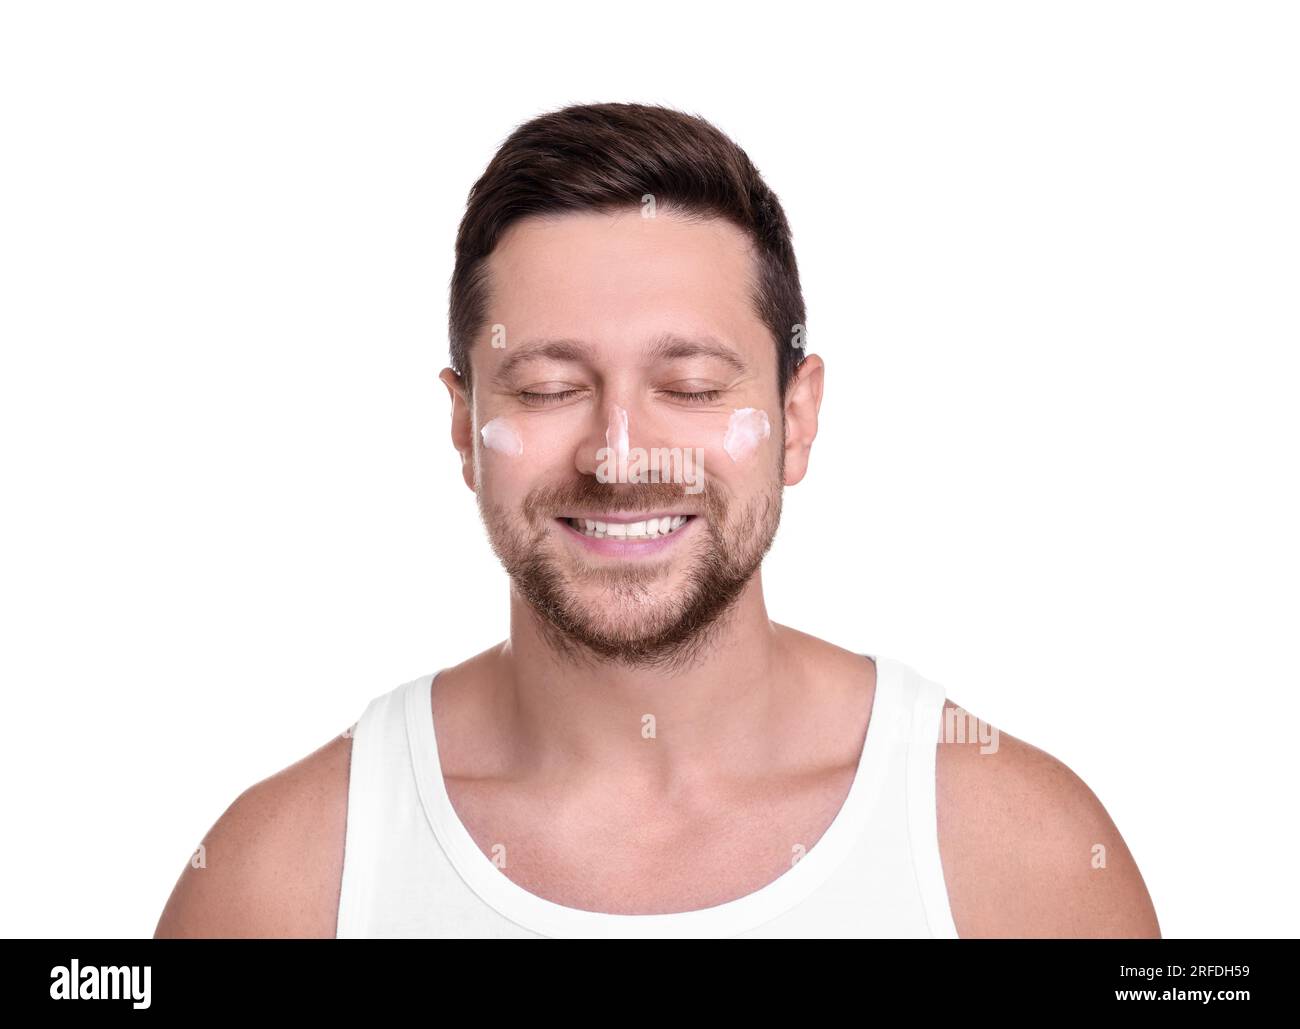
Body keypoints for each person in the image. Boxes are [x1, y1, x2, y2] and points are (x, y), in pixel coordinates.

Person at [154, 102, 1160, 938]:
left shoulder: (1017, 860)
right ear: (464, 428)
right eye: (547, 388)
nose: (621, 453)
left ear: (796, 417)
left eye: (689, 384)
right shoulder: (281, 883)